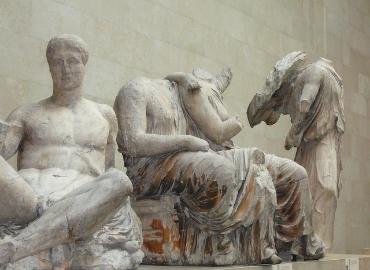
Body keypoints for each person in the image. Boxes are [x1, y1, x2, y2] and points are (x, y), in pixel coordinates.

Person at [0, 34, 142, 269]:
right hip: (28, 201)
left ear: (84, 64)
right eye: (58, 62)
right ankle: (23, 245)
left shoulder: (104, 115)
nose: (66, 69)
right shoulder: (25, 113)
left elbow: (107, 172)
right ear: (49, 67)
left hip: (78, 205)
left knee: (118, 181)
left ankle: (16, 247)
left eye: (73, 61)